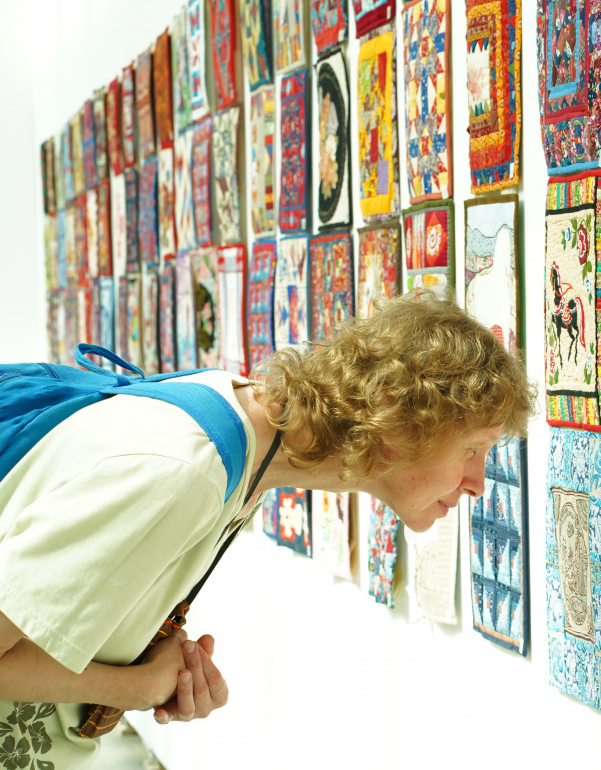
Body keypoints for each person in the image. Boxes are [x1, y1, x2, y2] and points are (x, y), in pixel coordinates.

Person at [0, 291, 536, 768]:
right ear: (399, 425)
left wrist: (147, 657)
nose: (477, 484)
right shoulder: (190, 469)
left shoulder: (243, 431)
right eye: (473, 450)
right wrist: (131, 687)